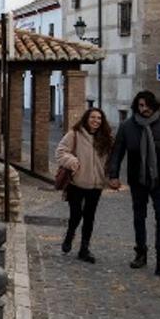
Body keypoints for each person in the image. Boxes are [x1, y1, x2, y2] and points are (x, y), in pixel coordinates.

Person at [107, 90, 160, 279]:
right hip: (137, 181)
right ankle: (141, 253)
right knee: (139, 217)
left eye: (147, 105)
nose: (143, 109)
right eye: (140, 105)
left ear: (154, 106)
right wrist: (113, 175)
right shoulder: (127, 126)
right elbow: (117, 152)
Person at [55, 108, 115, 263]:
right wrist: (72, 161)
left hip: (96, 185)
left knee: (89, 217)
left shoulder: (106, 138)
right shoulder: (74, 134)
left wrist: (110, 176)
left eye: (99, 118)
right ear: (86, 119)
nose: (96, 121)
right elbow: (60, 152)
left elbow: (110, 160)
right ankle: (69, 235)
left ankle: (84, 249)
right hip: (77, 183)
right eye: (93, 117)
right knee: (76, 214)